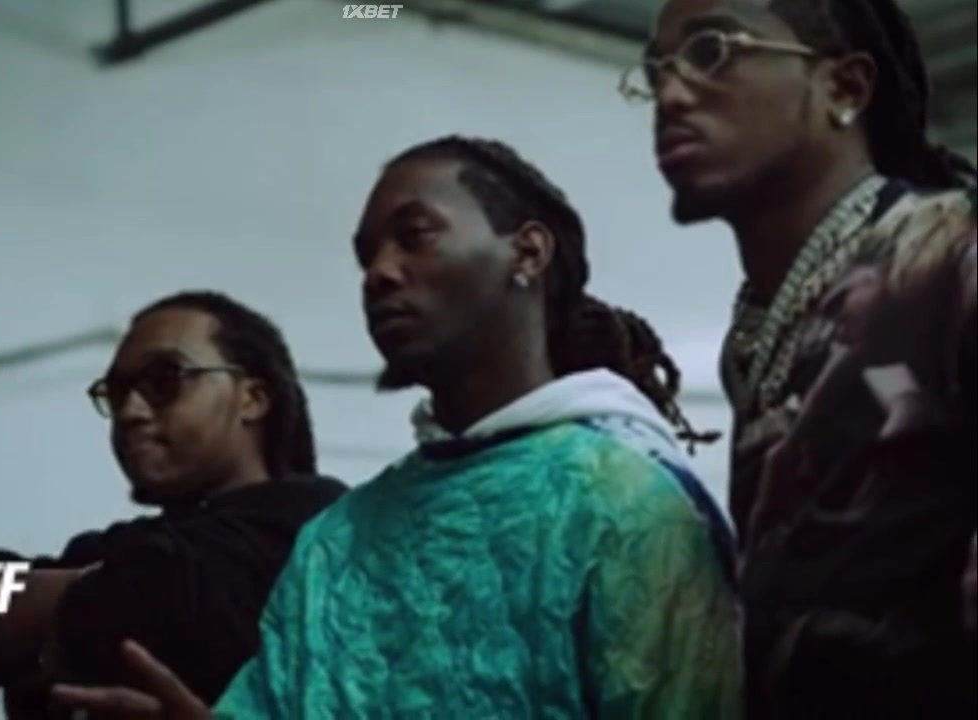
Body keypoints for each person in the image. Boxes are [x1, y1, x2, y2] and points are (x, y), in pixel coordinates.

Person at [51, 136, 742, 718]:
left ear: (528, 253)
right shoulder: (339, 538)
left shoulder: (628, 503)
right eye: (366, 255)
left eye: (414, 237)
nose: (378, 273)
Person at [626, 0, 978, 715]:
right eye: (656, 70)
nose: (671, 93)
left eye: (711, 50)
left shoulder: (949, 254)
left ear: (844, 87)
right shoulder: (761, 327)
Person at [0, 291, 346, 715]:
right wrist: (101, 593)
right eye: (118, 393)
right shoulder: (132, 546)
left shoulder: (326, 526)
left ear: (251, 397)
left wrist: (51, 623)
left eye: (165, 380)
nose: (130, 411)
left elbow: (158, 601)